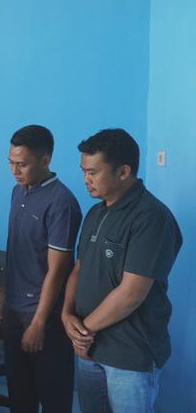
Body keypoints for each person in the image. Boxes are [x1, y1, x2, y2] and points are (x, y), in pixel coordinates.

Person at [62, 129, 181, 413]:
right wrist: (66, 314)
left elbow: (131, 293)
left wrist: (82, 331)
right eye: (83, 171)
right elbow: (80, 269)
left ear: (124, 171)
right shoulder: (96, 213)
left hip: (129, 355)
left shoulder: (151, 217)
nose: (86, 180)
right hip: (90, 349)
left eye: (93, 172)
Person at [0, 125, 81, 413]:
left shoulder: (62, 202)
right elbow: (15, 251)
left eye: (22, 164)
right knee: (19, 392)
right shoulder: (17, 192)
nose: (15, 171)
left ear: (45, 161)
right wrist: (3, 293)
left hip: (44, 315)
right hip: (14, 309)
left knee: (53, 394)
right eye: (11, 163)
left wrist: (39, 322)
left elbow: (58, 270)